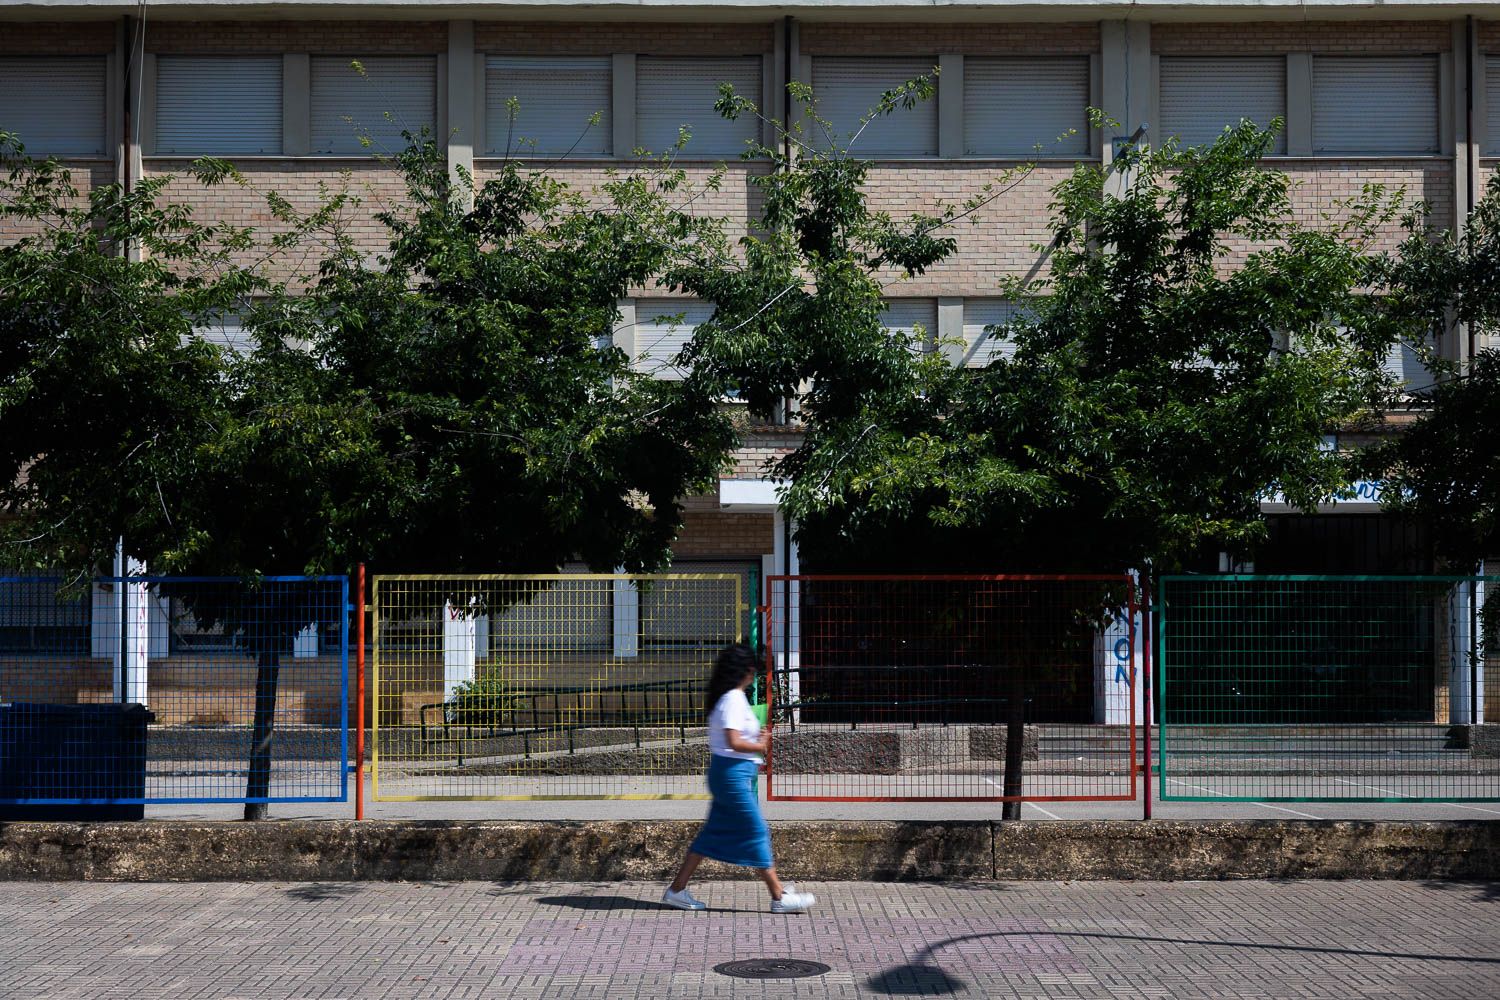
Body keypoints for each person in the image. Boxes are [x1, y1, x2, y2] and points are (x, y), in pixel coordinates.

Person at [662, 643, 815, 914]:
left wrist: (756, 743)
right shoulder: (732, 699)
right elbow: (734, 742)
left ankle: (676, 891)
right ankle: (779, 897)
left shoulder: (730, 697)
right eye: (753, 669)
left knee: (709, 838)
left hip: (730, 775)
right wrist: (760, 745)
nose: (755, 674)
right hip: (732, 777)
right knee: (756, 831)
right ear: (745, 670)